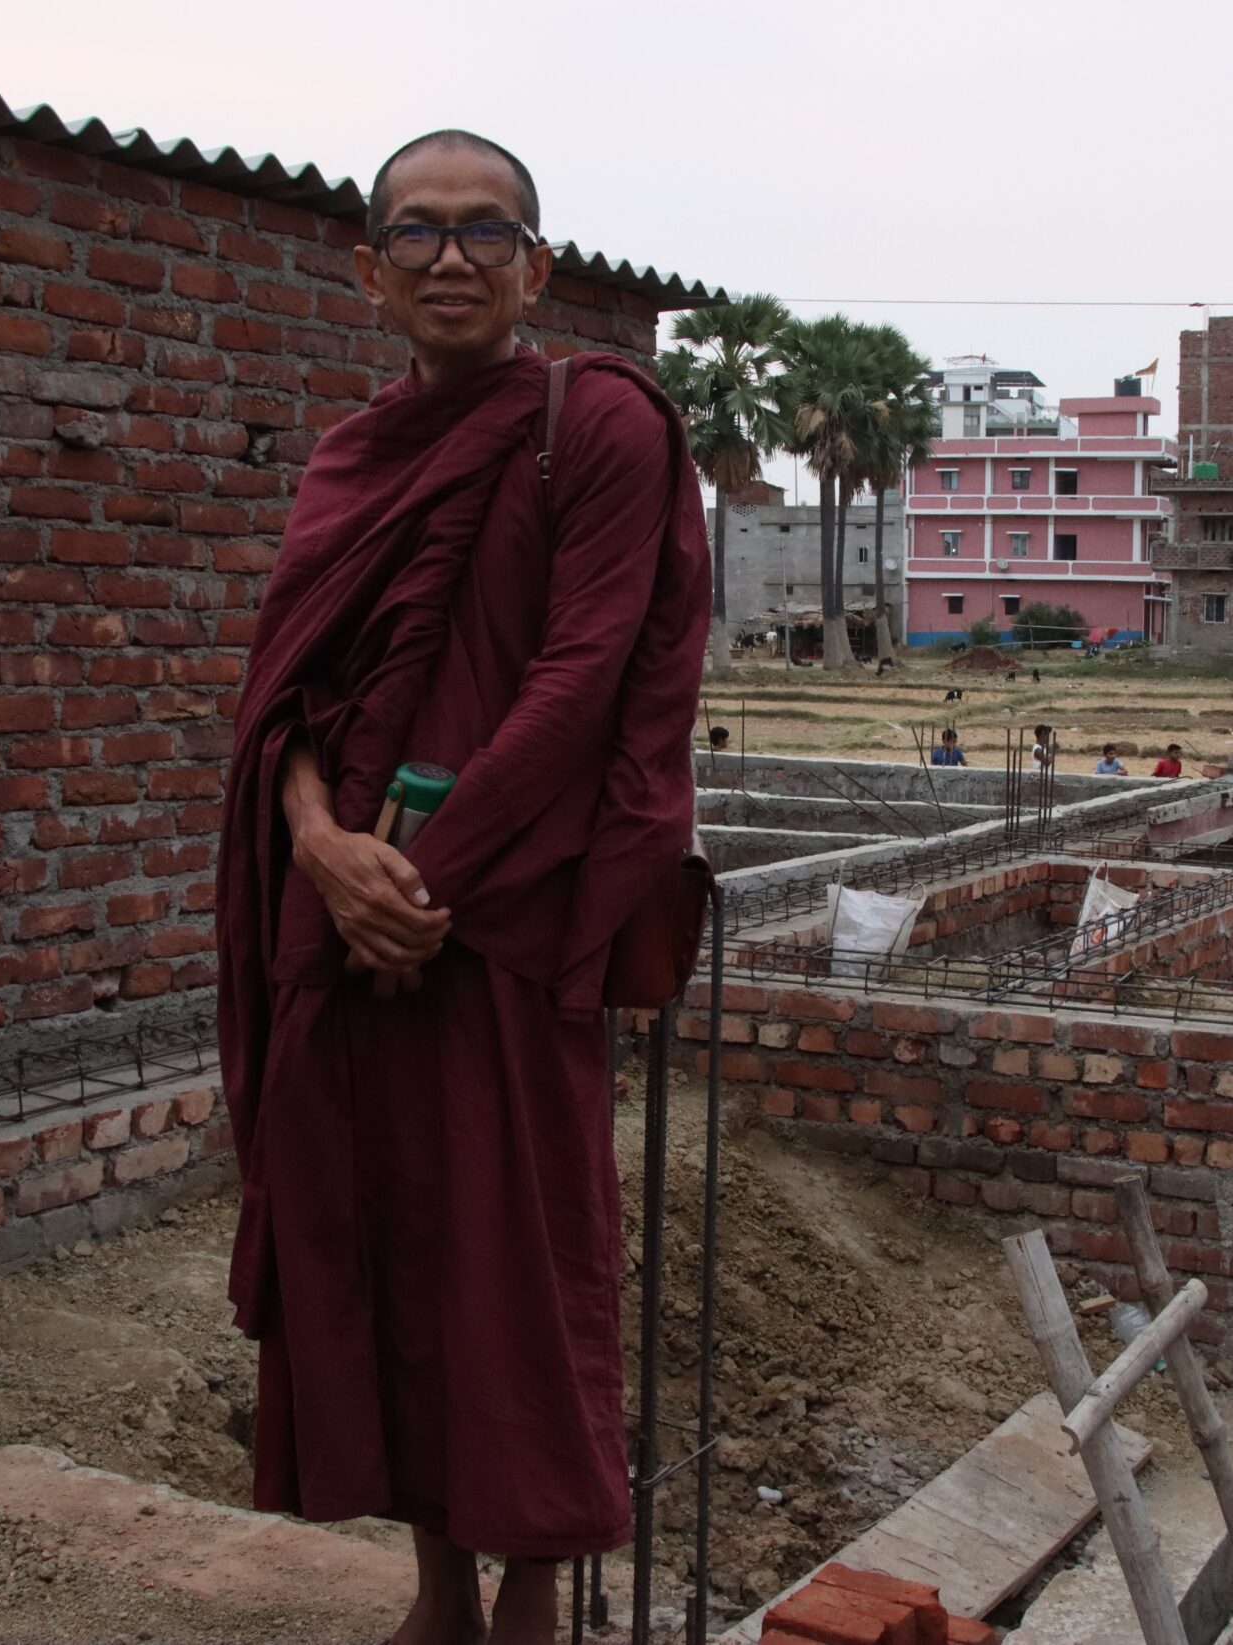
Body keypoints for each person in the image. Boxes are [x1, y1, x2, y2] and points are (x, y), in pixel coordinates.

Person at [215, 131, 708, 1643]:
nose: (450, 258)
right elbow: (286, 704)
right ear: (367, 272)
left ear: (535, 268)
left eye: (485, 232)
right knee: (388, 1251)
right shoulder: (351, 461)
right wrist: (320, 847)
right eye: (417, 233)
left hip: (508, 929)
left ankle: (533, 1599)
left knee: (522, 1267)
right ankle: (436, 1592)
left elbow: (580, 679)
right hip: (353, 918)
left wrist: (411, 891)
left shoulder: (599, 424)